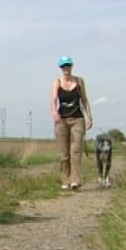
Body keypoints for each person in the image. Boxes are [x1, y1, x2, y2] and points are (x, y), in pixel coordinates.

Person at [50, 56, 92, 190]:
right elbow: (53, 99)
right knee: (64, 154)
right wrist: (54, 112)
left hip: (77, 119)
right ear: (60, 68)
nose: (66, 68)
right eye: (63, 66)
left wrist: (89, 117)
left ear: (71, 66)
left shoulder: (79, 81)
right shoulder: (57, 82)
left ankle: (75, 181)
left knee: (76, 150)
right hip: (61, 120)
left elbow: (84, 100)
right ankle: (65, 180)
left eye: (68, 65)